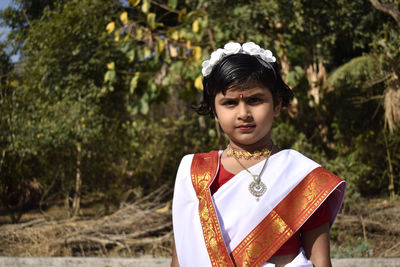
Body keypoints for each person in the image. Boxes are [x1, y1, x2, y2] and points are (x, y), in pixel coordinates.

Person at [171, 42, 346, 267]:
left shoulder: (301, 176)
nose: (243, 113)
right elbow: (183, 254)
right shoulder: (195, 173)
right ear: (214, 111)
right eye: (230, 103)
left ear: (277, 105)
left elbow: (320, 260)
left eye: (254, 100)